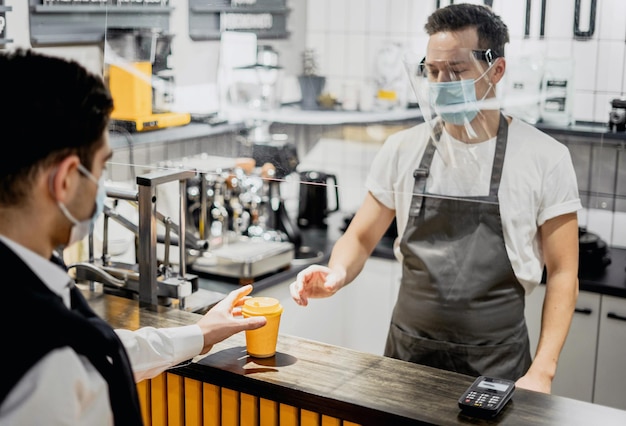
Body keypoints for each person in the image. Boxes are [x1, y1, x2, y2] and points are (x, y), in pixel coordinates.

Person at [290, 3, 581, 394]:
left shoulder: (545, 156)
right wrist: (336, 273)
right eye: (432, 71)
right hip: (406, 359)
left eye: (456, 72)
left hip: (497, 364)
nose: (442, 84)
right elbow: (360, 237)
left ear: (497, 70)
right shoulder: (402, 148)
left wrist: (543, 370)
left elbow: (563, 272)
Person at [0, 48, 267, 425]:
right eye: (102, 167)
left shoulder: (33, 276)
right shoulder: (46, 363)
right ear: (64, 180)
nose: (104, 186)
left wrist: (200, 334)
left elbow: (100, 351)